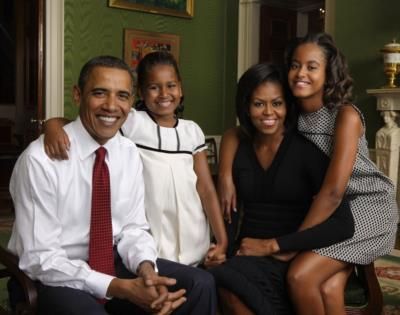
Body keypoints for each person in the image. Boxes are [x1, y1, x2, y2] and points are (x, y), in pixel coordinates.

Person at [7, 55, 217, 315]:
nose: (111, 106)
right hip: (54, 274)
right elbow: (41, 258)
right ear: (77, 95)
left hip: (111, 259)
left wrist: (146, 269)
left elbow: (133, 228)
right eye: (99, 93)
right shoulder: (40, 160)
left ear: (131, 102)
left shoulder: (127, 152)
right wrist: (121, 288)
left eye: (122, 96)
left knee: (200, 284)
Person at [218, 32, 398, 315]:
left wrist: (289, 245)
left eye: (312, 67)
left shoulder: (345, 116)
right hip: (334, 208)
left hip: (366, 205)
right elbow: (237, 132)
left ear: (329, 73)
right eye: (294, 65)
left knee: (300, 275)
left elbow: (333, 192)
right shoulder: (292, 111)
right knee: (329, 287)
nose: (301, 73)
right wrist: (226, 174)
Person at [44, 51, 227, 268]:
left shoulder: (192, 131)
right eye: (153, 87)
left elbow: (206, 189)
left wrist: (222, 240)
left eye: (171, 85)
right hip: (152, 232)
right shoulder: (132, 122)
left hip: (193, 229)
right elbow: (85, 124)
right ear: (139, 92)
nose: (164, 94)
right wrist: (51, 125)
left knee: (196, 283)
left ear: (181, 89)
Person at [209, 62, 354, 315]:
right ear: (245, 106)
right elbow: (230, 210)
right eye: (258, 104)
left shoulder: (305, 151)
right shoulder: (239, 148)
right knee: (217, 278)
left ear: (288, 106)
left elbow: (343, 224)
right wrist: (222, 248)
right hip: (247, 252)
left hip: (289, 255)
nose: (268, 113)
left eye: (277, 103)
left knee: (228, 281)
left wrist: (278, 245)